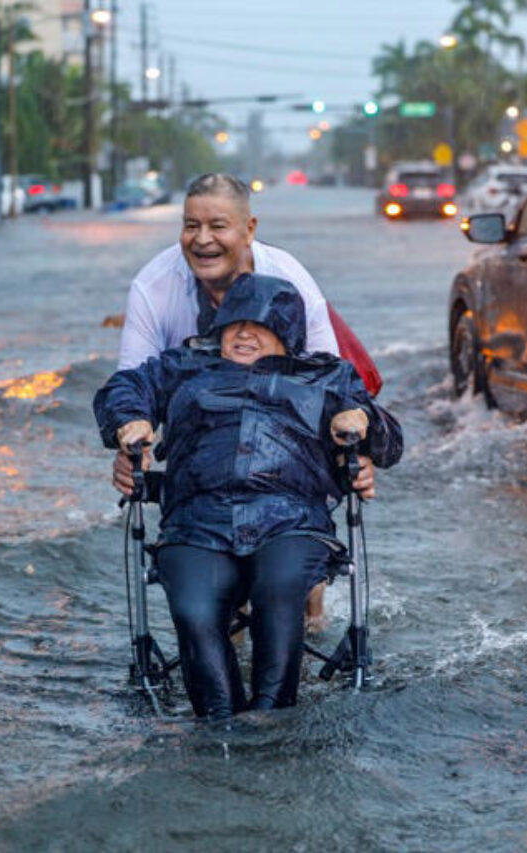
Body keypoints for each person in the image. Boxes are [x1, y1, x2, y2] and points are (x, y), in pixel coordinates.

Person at [94, 274, 402, 720]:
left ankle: (271, 720)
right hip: (196, 520)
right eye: (233, 324)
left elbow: (392, 445)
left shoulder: (327, 376)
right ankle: (219, 723)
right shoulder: (183, 366)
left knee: (279, 590)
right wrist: (130, 421)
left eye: (259, 326)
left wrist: (363, 417)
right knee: (194, 608)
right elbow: (123, 388)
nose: (242, 334)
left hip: (291, 519)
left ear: (288, 334)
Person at [112, 172, 378, 626]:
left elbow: (332, 385)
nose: (202, 240)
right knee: (219, 596)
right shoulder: (155, 288)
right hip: (205, 437)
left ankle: (309, 604)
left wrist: (355, 456)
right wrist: (129, 440)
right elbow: (133, 384)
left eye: (218, 226)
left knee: (296, 582)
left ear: (249, 229)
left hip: (286, 449)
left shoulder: (289, 280)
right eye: (191, 226)